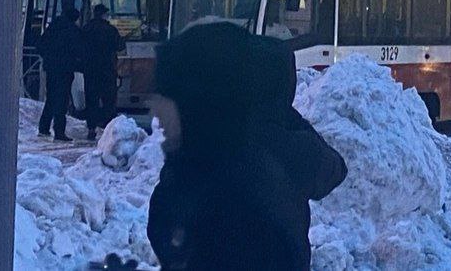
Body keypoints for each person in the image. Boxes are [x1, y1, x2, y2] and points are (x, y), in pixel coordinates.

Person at [147, 22, 347, 270]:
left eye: (169, 98)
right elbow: (333, 168)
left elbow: (165, 232)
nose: (156, 109)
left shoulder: (226, 156)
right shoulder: (285, 143)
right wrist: (285, 117)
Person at [37, 7, 82, 142]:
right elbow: (79, 50)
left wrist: (48, 59)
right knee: (62, 101)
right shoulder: (72, 31)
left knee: (51, 98)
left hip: (51, 69)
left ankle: (44, 127)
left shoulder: (53, 27)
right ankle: (59, 132)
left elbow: (40, 45)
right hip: (65, 70)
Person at [81, 4, 125, 140]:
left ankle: (91, 128)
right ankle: (108, 130)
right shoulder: (110, 30)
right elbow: (120, 46)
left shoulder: (86, 29)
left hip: (91, 71)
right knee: (108, 100)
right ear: (104, 14)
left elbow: (79, 47)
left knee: (92, 100)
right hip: (107, 70)